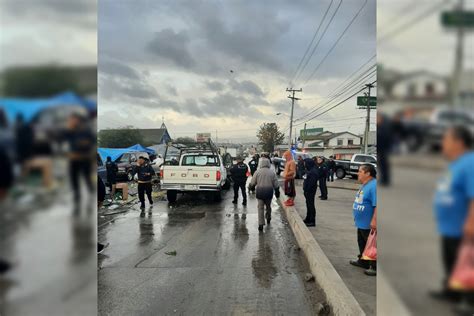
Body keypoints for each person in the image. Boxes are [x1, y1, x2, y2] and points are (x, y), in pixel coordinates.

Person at [430, 126, 474, 307]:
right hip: (449, 226)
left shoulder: (470, 163)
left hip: (461, 226)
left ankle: (469, 300)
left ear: (459, 142)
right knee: (450, 260)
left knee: (465, 262)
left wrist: (471, 222)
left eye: (446, 140)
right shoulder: (455, 163)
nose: (443, 144)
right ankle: (452, 291)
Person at [350, 164, 377, 276]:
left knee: (372, 245)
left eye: (360, 171)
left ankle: (374, 266)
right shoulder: (365, 185)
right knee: (362, 242)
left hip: (369, 224)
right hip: (361, 223)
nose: (358, 173)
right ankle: (363, 261)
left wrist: (375, 220)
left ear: (368, 173)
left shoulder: (374, 185)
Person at [64, 113, 95, 213]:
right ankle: (77, 197)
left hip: (84, 159)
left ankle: (91, 194)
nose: (71, 121)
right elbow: (62, 141)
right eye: (70, 120)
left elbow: (91, 142)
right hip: (73, 159)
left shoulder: (86, 130)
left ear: (78, 120)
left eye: (73, 119)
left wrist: (84, 144)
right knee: (74, 179)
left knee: (86, 177)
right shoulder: (69, 131)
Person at [248, 158, 280, 231]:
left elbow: (253, 182)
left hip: (260, 192)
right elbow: (276, 184)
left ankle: (261, 224)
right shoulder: (272, 173)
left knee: (260, 208)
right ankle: (268, 217)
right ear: (268, 164)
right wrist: (277, 192)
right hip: (269, 192)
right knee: (268, 206)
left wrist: (250, 187)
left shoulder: (257, 172)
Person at [303, 158, 319, 227]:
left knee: (311, 205)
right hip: (307, 191)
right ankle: (308, 218)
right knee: (308, 204)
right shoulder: (309, 170)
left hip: (310, 191)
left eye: (305, 163)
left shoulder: (313, 171)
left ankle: (312, 221)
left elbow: (312, 183)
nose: (304, 165)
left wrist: (307, 189)